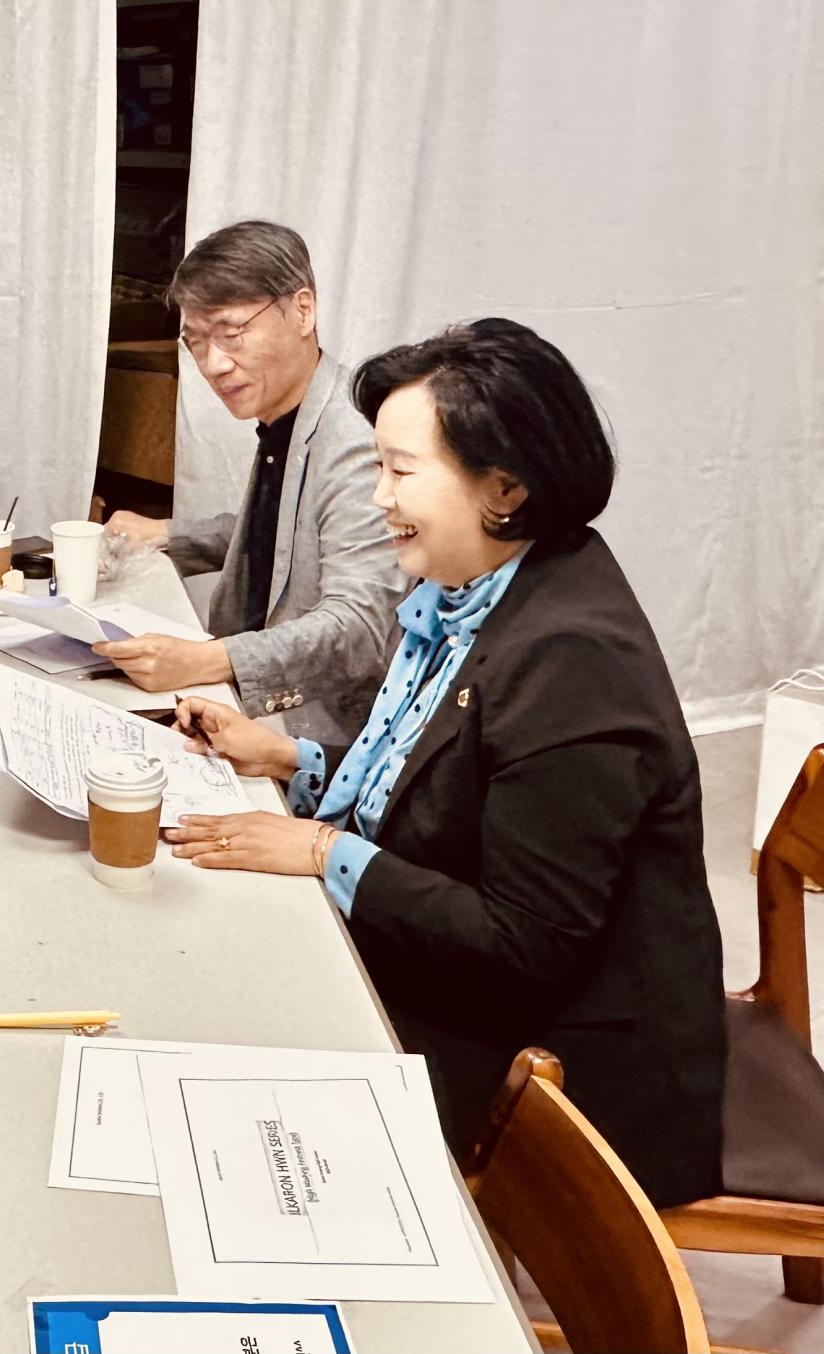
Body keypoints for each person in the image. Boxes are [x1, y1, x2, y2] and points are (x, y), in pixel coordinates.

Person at [163, 319, 725, 1207]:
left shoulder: (572, 658)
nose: (379, 497)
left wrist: (321, 850)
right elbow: (444, 783)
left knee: (220, 1056)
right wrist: (291, 756)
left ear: (504, 487)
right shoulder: (479, 589)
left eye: (399, 471)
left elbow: (524, 945)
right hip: (471, 987)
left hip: (553, 1060)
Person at [100, 220, 404, 745]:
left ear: (303, 311)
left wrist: (207, 659)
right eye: (196, 342)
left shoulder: (353, 441)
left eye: (232, 333)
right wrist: (169, 533)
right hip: (257, 710)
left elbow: (358, 625)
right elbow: (294, 532)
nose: (213, 364)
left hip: (319, 736)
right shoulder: (291, 416)